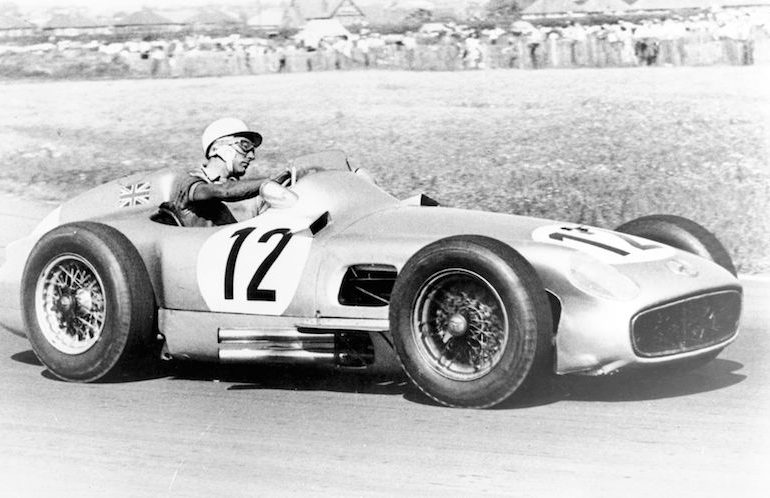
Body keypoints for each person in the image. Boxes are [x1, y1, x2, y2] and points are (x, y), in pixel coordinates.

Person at [169, 118, 288, 227]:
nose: (251, 156)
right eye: (245, 146)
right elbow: (224, 191)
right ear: (217, 148)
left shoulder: (250, 196)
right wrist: (269, 183)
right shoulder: (187, 181)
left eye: (253, 150)